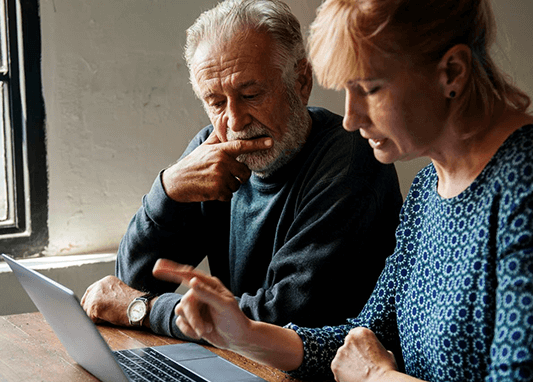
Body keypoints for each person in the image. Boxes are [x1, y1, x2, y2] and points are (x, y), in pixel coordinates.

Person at [152, 0, 533, 382]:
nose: (350, 118)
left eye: (370, 89)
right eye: (346, 91)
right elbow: (367, 335)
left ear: (453, 72)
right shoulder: (428, 187)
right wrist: (245, 333)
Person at [81, 0, 402, 339]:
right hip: (242, 364)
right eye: (216, 103)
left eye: (250, 95)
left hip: (323, 380)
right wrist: (168, 188)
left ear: (301, 82)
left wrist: (145, 311)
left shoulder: (350, 161)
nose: (234, 120)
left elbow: (284, 319)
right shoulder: (214, 150)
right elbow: (133, 281)